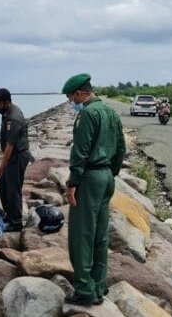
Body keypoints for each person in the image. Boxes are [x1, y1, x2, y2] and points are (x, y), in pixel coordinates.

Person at [61, 73, 126, 306]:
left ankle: (85, 291)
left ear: (79, 93)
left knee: (81, 235)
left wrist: (72, 184)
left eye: (71, 98)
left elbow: (80, 152)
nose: (71, 102)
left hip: (89, 178)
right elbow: (121, 147)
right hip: (106, 176)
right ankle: (99, 285)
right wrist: (111, 172)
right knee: (100, 235)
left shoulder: (87, 114)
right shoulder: (110, 112)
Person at [0, 88, 32, 232]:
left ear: (6, 102)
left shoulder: (14, 117)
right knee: (3, 184)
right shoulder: (6, 113)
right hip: (12, 156)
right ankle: (9, 215)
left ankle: (16, 222)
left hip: (17, 156)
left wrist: (0, 167)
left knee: (13, 188)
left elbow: (10, 146)